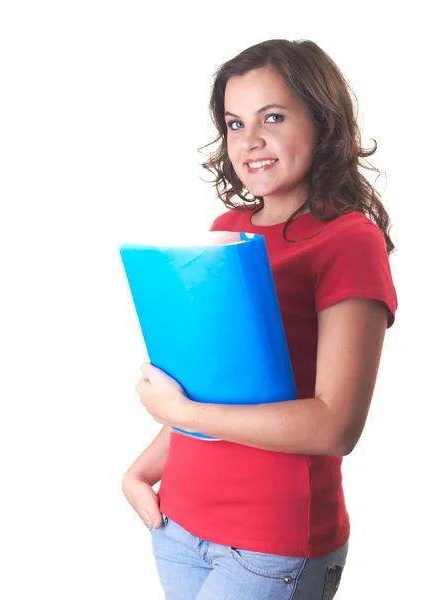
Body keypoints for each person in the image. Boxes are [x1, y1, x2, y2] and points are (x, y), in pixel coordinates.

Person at [122, 39, 397, 600]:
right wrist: (141, 469)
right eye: (234, 122)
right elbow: (218, 389)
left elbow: (334, 426)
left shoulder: (348, 241)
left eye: (272, 117)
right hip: (179, 522)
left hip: (270, 543)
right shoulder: (229, 226)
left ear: (323, 122)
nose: (250, 142)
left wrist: (179, 410)